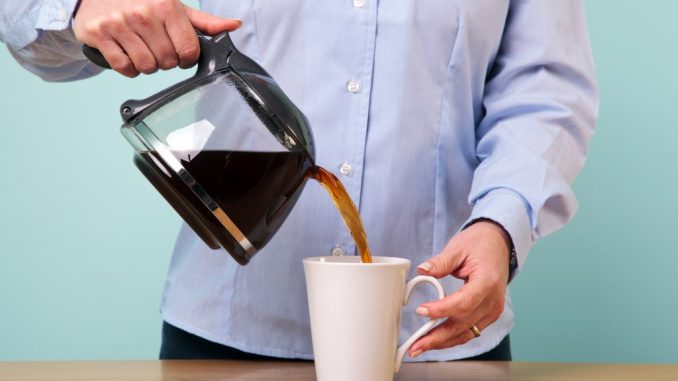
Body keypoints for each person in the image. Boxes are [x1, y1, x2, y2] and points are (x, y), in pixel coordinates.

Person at [0, 0, 598, 361]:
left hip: (438, 342)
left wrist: (502, 224)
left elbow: (544, 85)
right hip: (225, 341)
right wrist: (81, 8)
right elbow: (33, 31)